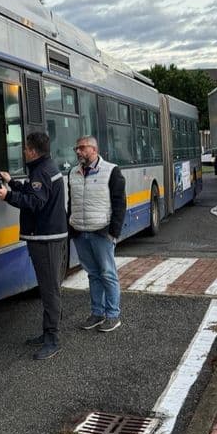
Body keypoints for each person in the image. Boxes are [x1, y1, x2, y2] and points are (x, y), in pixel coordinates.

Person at [0, 132, 68, 360]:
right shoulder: (45, 168)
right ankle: (47, 334)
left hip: (45, 240)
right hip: (47, 238)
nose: (23, 151)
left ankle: (52, 340)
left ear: (34, 151)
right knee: (49, 288)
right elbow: (33, 191)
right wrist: (12, 183)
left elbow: (35, 202)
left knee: (49, 290)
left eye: (26, 148)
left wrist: (7, 196)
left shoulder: (41, 171)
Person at [67, 135, 126, 333]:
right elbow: (71, 203)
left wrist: (113, 233)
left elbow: (119, 204)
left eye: (82, 148)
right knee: (93, 274)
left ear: (93, 149)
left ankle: (112, 315)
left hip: (101, 232)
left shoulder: (111, 171)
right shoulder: (73, 173)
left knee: (107, 274)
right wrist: (71, 228)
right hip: (80, 232)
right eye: (76, 148)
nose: (78, 151)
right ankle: (97, 313)